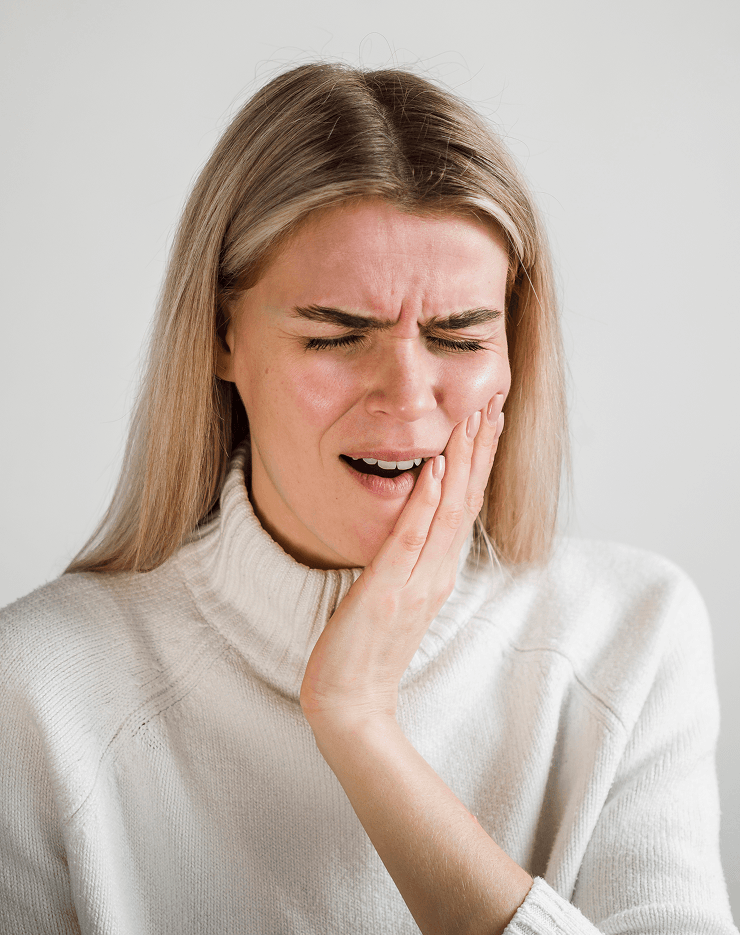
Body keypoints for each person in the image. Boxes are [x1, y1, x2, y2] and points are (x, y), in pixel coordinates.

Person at [0, 61, 736, 935]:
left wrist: (359, 724)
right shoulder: (37, 690)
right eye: (337, 337)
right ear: (221, 336)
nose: (408, 399)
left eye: (459, 337)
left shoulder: (632, 636)